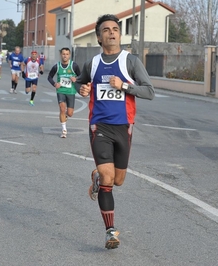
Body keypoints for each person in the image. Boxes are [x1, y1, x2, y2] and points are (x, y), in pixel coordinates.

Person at [75, 14, 155, 249]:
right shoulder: (93, 63)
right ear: (99, 37)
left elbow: (149, 92)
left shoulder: (130, 61)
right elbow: (80, 82)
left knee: (118, 180)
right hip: (99, 126)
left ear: (120, 34)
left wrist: (125, 86)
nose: (111, 32)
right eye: (106, 29)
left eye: (115, 29)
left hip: (124, 126)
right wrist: (82, 88)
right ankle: (110, 231)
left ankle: (98, 177)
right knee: (109, 179)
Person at [47, 47, 81, 138]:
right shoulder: (57, 66)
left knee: (69, 113)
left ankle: (64, 117)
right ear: (60, 55)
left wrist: (76, 79)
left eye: (66, 54)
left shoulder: (74, 66)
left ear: (69, 55)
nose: (65, 56)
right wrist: (54, 84)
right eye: (63, 54)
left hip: (70, 91)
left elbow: (81, 76)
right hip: (60, 90)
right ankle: (64, 130)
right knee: (62, 109)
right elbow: (49, 77)